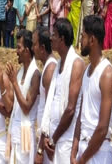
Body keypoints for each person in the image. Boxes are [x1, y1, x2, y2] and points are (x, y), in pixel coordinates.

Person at [71, 15, 112, 163]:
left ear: (92, 40)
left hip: (99, 152)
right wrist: (74, 149)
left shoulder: (107, 74)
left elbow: (102, 128)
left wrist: (82, 159)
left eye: (83, 36)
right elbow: (81, 115)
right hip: (83, 149)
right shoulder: (87, 70)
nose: (80, 41)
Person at [40, 18, 85, 163]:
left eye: (54, 35)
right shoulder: (58, 63)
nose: (51, 38)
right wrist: (47, 136)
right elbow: (51, 102)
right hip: (52, 138)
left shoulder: (76, 64)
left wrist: (54, 139)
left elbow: (70, 109)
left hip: (65, 139)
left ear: (62, 39)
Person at [5, 29, 40, 164]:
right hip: (15, 131)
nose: (16, 51)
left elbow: (26, 107)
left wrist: (13, 82)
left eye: (19, 47)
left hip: (25, 134)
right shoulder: (19, 72)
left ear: (27, 50)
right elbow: (13, 105)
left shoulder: (35, 75)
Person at [32, 26, 57, 164]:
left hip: (47, 140)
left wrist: (40, 149)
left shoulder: (50, 69)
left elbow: (49, 111)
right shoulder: (48, 66)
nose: (32, 47)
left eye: (34, 44)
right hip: (45, 137)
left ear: (42, 47)